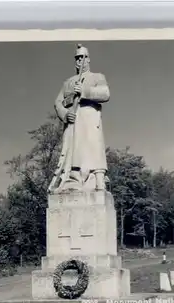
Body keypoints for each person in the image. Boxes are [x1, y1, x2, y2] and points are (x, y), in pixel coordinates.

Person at [49, 44, 110, 193]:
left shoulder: (97, 77)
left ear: (88, 59)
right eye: (77, 58)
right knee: (74, 150)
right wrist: (64, 114)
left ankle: (98, 179)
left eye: (83, 57)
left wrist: (84, 91)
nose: (80, 61)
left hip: (90, 117)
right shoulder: (68, 82)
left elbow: (105, 93)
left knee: (93, 147)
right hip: (73, 120)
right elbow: (57, 102)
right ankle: (74, 178)